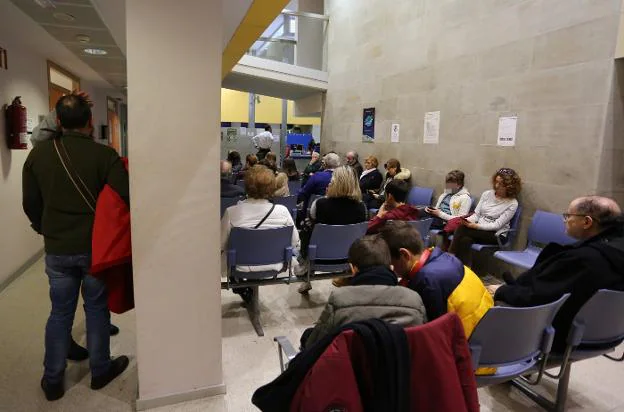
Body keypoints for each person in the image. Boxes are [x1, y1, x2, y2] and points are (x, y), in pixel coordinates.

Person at [22, 94, 130, 401]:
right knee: (96, 308)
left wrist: (46, 229)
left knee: (59, 312)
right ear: (88, 123)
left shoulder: (38, 155)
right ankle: (100, 370)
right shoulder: (103, 155)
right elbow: (124, 196)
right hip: (95, 247)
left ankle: (53, 379)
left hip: (57, 248)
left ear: (58, 121)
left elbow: (30, 203)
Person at [490, 196, 624, 352]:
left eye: (568, 216)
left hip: (558, 338)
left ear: (587, 222)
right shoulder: (613, 252)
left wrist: (501, 291)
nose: (565, 220)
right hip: (605, 335)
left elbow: (537, 298)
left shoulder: (583, 260)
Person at [299, 235, 427, 349]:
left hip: (351, 374)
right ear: (391, 267)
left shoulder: (340, 300)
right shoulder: (414, 300)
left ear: (353, 269)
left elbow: (314, 345)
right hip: (400, 373)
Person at [379, 221, 493, 339]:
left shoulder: (426, 281)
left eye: (391, 263)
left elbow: (434, 335)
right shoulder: (441, 255)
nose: (392, 269)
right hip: (487, 326)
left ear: (404, 255)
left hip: (467, 341)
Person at [221, 165, 300, 301]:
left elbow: (220, 244)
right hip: (277, 265)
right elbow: (295, 243)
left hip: (239, 266)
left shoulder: (232, 212)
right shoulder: (283, 211)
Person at [296, 166, 368, 293]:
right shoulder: (362, 208)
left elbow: (311, 227)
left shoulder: (319, 204)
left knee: (305, 234)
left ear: (334, 182)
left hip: (318, 257)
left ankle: (306, 273)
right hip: (349, 258)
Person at [448, 168, 521, 267]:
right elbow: (477, 214)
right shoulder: (487, 194)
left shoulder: (512, 203)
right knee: (465, 239)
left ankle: (449, 256)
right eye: (496, 182)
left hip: (496, 234)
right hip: (478, 230)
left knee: (462, 229)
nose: (496, 186)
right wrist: (467, 221)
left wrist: (475, 226)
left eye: (501, 184)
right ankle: (465, 270)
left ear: (509, 186)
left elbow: (497, 225)